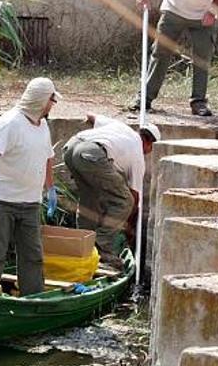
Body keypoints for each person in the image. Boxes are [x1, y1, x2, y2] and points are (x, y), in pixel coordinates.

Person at [0, 77, 61, 295]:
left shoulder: (42, 126)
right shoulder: (10, 123)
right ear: (42, 100)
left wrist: (50, 188)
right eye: (52, 100)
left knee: (33, 256)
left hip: (31, 204)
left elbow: (47, 158)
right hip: (2, 202)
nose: (53, 105)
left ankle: (33, 299)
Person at [62, 114, 159, 266]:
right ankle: (103, 248)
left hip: (71, 147)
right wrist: (129, 227)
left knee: (90, 198)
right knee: (125, 201)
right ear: (148, 142)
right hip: (91, 154)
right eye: (150, 149)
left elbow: (91, 117)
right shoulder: (138, 156)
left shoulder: (121, 128)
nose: (148, 152)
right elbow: (134, 199)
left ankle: (84, 246)